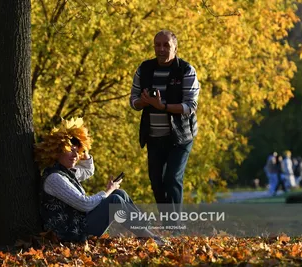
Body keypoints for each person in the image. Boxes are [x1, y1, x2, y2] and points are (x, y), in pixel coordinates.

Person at [34, 117, 165, 245]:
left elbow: (87, 170)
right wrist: (108, 191)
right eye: (70, 151)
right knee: (114, 200)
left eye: (77, 151)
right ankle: (149, 237)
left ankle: (145, 232)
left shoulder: (65, 172)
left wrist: (84, 151)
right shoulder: (55, 178)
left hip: (79, 224)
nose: (75, 155)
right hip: (70, 233)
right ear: (56, 152)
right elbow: (84, 204)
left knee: (119, 194)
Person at [129, 30, 200, 206]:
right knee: (156, 181)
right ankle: (168, 222)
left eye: (166, 45)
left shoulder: (186, 70)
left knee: (172, 178)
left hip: (181, 136)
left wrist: (163, 107)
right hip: (154, 136)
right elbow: (133, 100)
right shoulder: (144, 69)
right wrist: (144, 102)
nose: (161, 49)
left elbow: (190, 106)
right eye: (157, 45)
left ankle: (174, 228)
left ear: (175, 48)